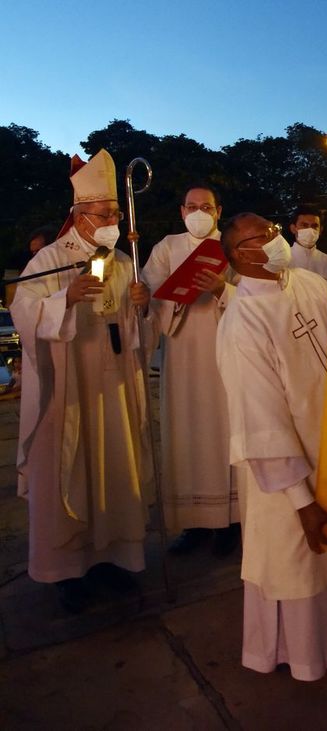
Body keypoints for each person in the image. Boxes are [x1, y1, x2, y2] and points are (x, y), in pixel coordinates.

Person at [216, 213, 327, 681]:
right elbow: (260, 419)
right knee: (296, 566)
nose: (274, 239)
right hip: (288, 475)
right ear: (238, 256)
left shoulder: (308, 282)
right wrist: (302, 502)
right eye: (260, 237)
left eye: (272, 230)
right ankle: (301, 654)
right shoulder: (241, 322)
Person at [11, 149, 154, 613]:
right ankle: (66, 572)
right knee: (67, 473)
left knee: (114, 467)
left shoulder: (120, 259)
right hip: (67, 387)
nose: (112, 220)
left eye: (115, 213)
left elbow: (133, 330)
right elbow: (24, 312)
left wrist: (140, 304)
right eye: (104, 213)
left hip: (112, 384)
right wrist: (65, 301)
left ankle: (113, 559)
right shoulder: (50, 259)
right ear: (79, 215)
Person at [142, 183, 240, 557]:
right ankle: (196, 524)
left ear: (218, 211)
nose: (199, 212)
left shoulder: (233, 246)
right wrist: (161, 299)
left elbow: (255, 295)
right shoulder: (166, 247)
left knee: (226, 431)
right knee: (187, 434)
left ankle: (232, 520)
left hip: (227, 353)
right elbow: (150, 298)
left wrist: (220, 290)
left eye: (207, 206)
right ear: (182, 211)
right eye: (192, 206)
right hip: (182, 357)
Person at [288, 205, 327, 284]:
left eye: (314, 226)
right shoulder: (282, 261)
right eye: (304, 225)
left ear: (320, 230)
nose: (310, 230)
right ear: (293, 228)